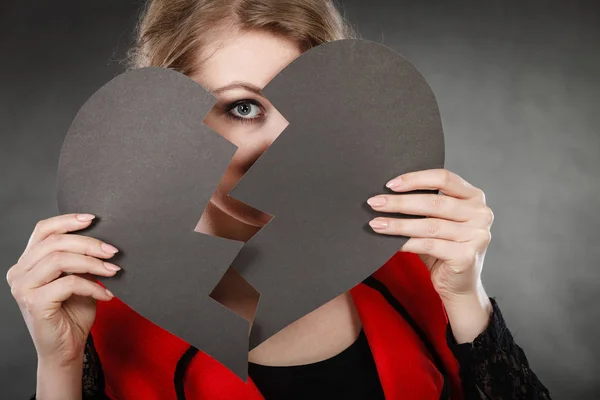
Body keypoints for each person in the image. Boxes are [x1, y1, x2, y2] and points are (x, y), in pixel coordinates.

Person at [7, 1, 552, 399]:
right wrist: (60, 367)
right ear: (171, 125)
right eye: (244, 108)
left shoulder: (411, 272)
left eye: (305, 108)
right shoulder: (108, 314)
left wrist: (469, 307)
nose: (281, 144)